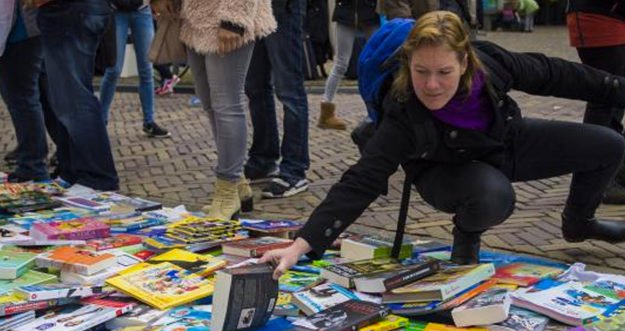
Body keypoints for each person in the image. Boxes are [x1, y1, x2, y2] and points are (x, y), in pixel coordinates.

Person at [260, 11, 625, 278]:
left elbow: (555, 74)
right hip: (443, 169)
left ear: (465, 62)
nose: (432, 85)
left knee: (608, 144)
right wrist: (302, 244)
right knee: (493, 195)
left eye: (444, 72)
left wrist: (617, 89)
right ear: (408, 65)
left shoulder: (491, 64)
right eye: (421, 72)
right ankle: (465, 242)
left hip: (502, 143)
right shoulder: (403, 112)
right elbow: (361, 180)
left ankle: (578, 221)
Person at [152, 0, 275, 219]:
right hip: (193, 18)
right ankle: (237, 184)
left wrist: (234, 18)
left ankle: (227, 190)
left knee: (227, 105)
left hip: (224, 14)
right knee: (211, 103)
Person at [24, 0, 120, 191]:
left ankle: (97, 176)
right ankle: (72, 171)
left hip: (68, 11)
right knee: (65, 97)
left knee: (74, 99)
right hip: (76, 11)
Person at [244, 0, 311, 199]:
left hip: (283, 7)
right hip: (253, 7)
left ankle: (294, 169)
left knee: (289, 90)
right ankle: (263, 160)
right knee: (255, 87)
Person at [567, 0, 625, 204]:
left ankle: (613, 169)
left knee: (614, 100)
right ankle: (599, 181)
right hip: (600, 19)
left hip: (608, 17)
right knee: (606, 98)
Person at [99, 1, 171, 138]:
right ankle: (101, 121)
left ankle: (149, 122)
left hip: (141, 10)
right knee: (113, 69)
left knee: (146, 70)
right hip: (117, 11)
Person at [0, 0, 52, 182]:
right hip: (24, 30)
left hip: (19, 32)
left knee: (22, 100)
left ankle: (33, 164)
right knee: (34, 98)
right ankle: (36, 159)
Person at [317, 0, 380, 131]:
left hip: (370, 12)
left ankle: (377, 110)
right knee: (341, 64)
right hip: (346, 13)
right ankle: (326, 112)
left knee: (376, 62)